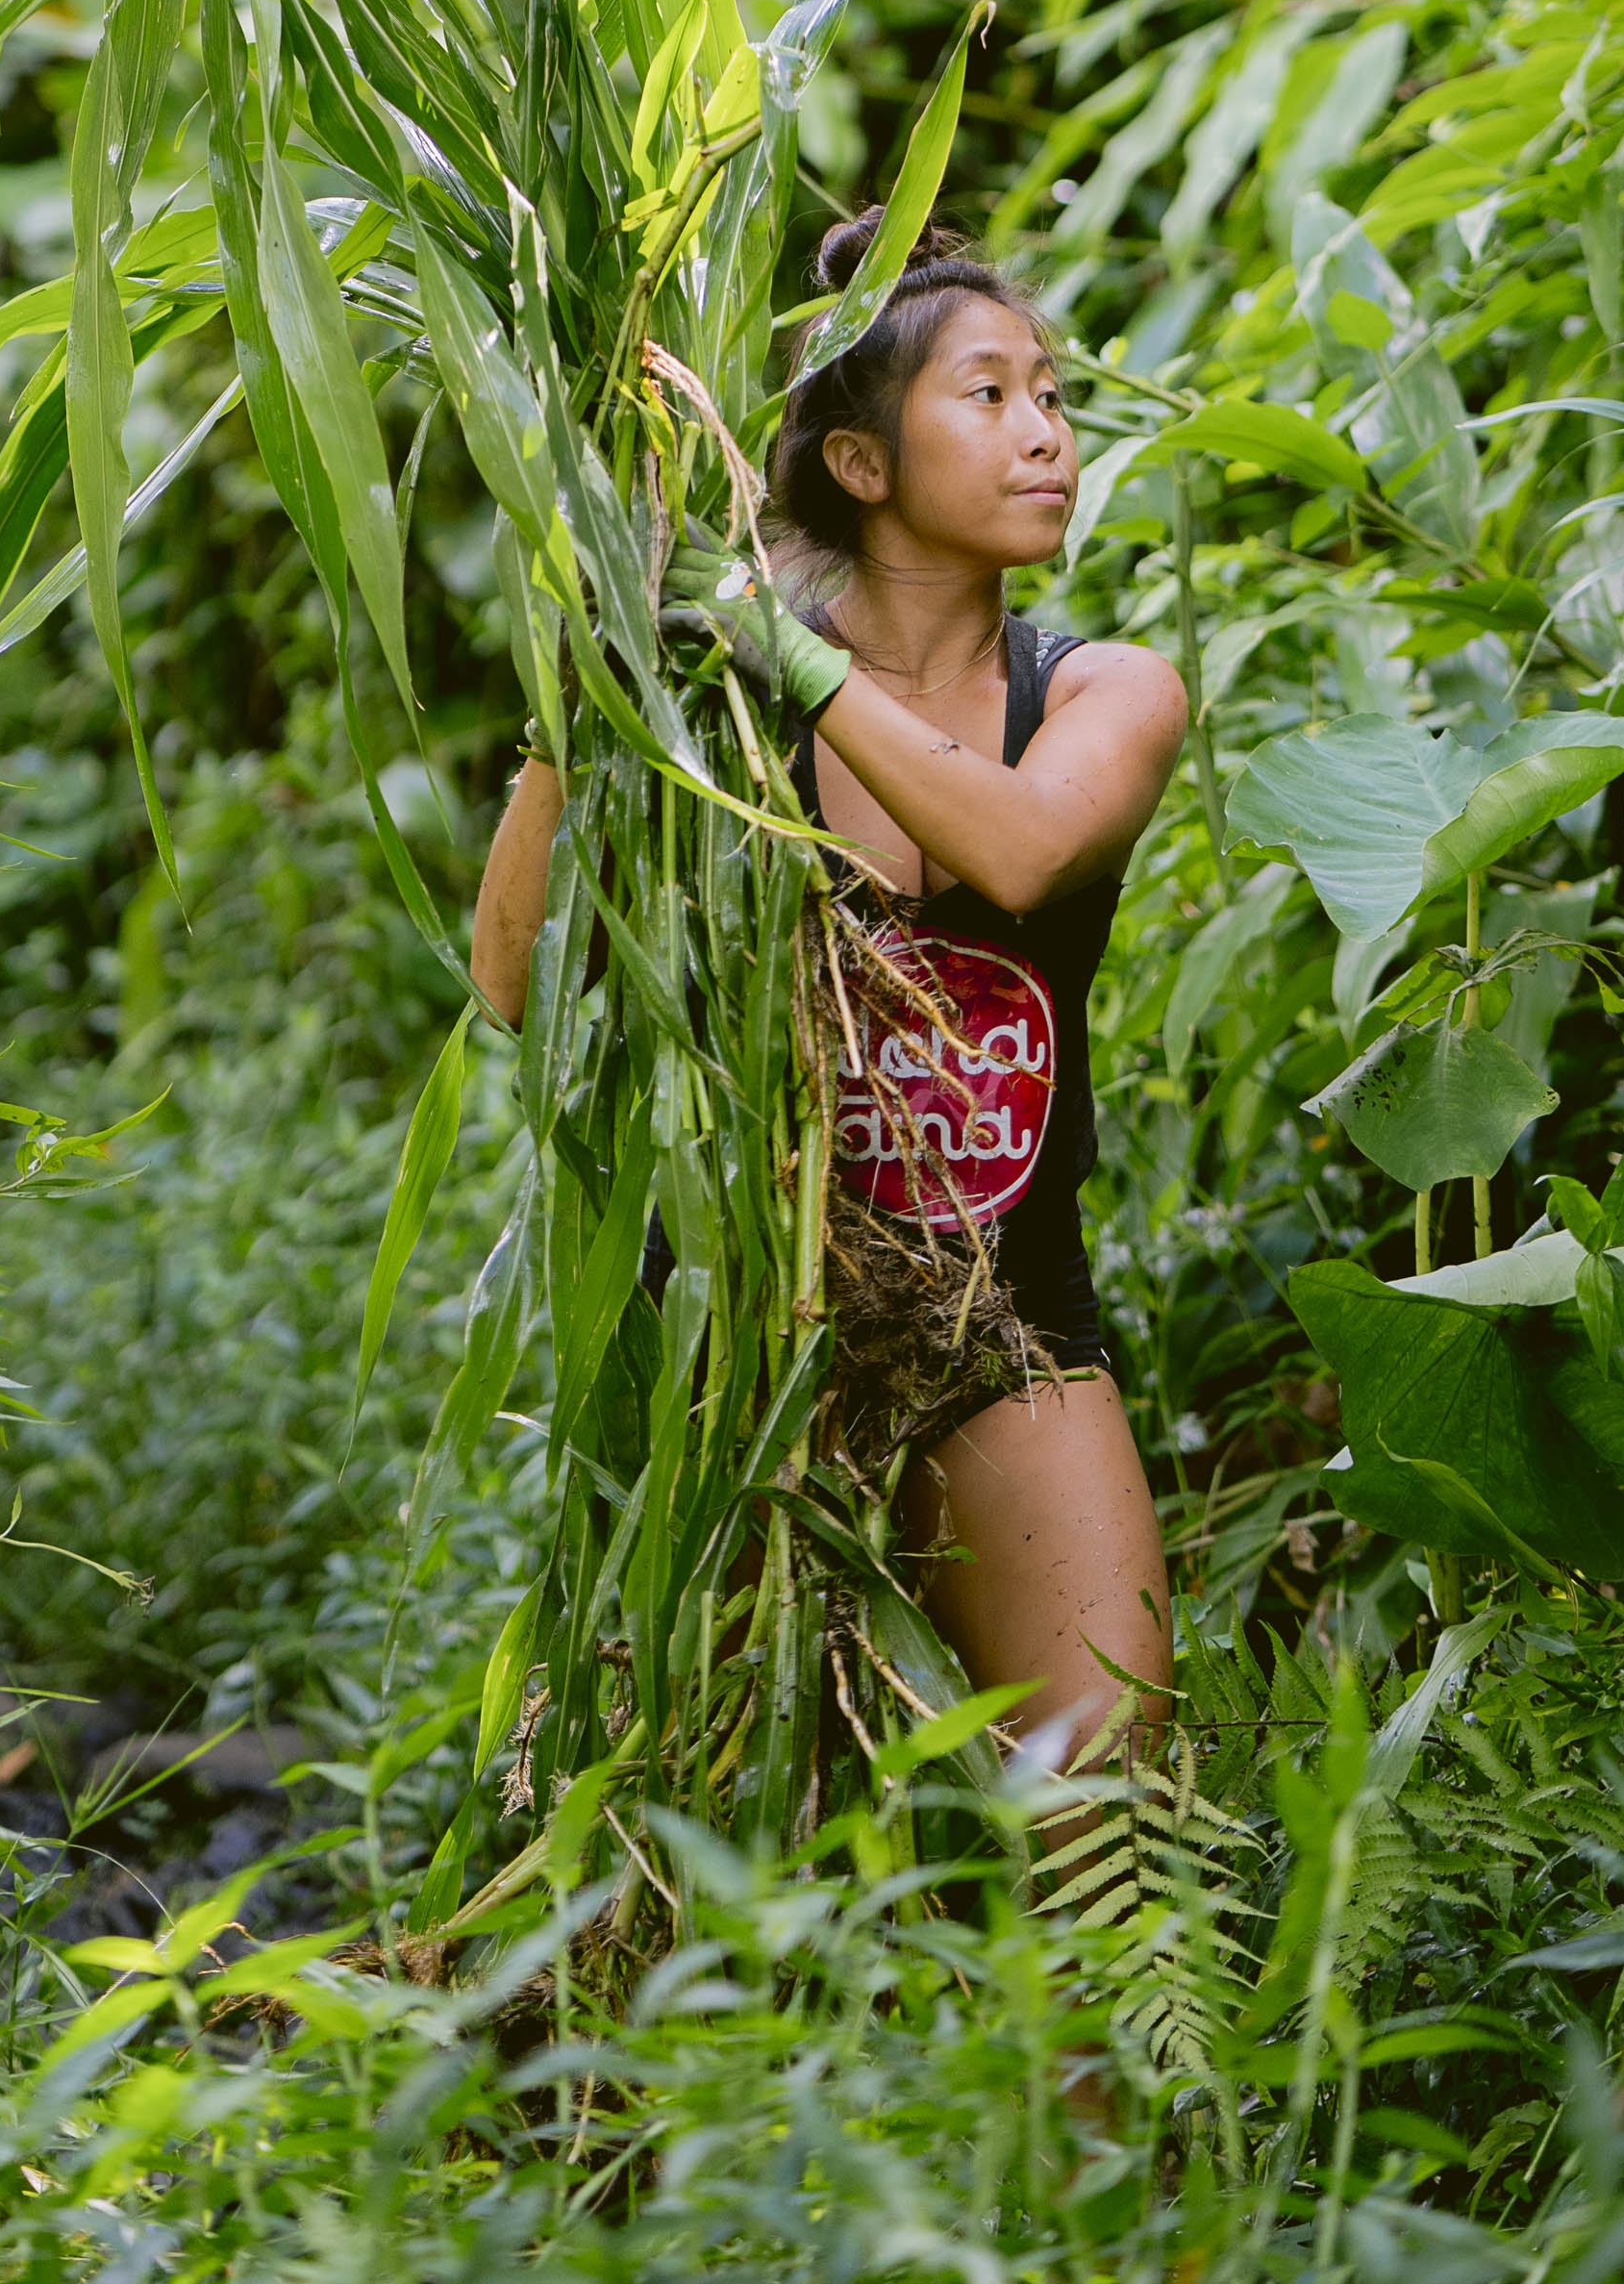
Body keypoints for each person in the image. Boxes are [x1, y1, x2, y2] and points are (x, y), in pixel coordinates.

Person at [469, 211, 1188, 1774]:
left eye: (1054, 397)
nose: (1048, 436)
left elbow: (1020, 849)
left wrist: (795, 667)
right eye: (989, 397)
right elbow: (522, 982)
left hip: (1001, 1306)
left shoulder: (1098, 690)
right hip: (746, 1324)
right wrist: (582, 689)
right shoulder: (717, 715)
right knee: (724, 1832)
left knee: (1110, 1796)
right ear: (862, 466)